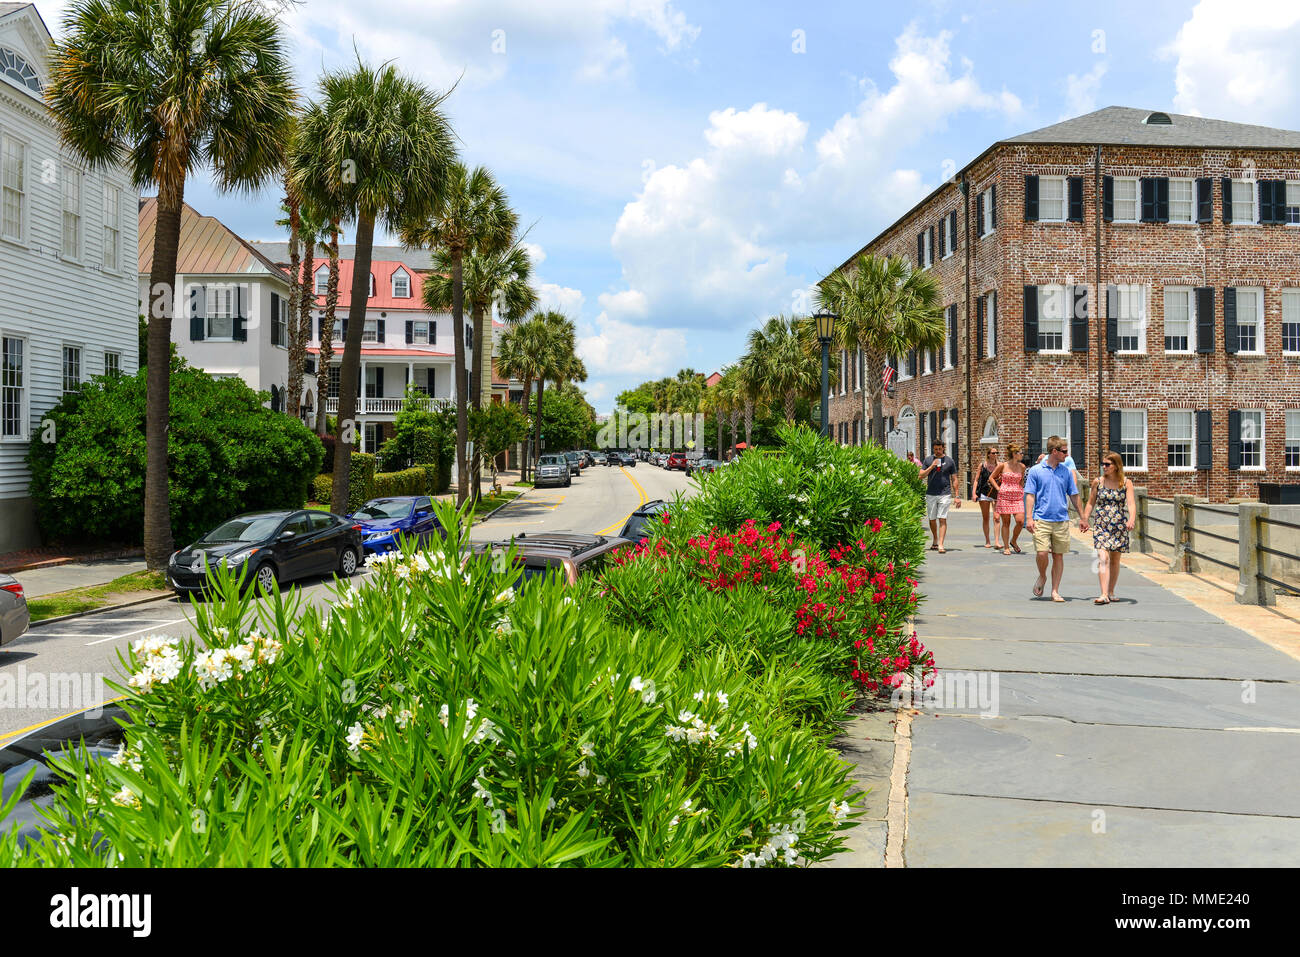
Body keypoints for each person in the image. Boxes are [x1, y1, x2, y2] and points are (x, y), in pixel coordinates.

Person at [1024, 435, 1088, 602]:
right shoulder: (1035, 471)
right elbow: (1030, 495)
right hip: (1041, 518)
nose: (1067, 455)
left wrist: (1083, 518)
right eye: (1064, 451)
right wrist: (1029, 518)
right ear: (1054, 451)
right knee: (1042, 553)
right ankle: (1042, 575)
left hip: (1061, 519)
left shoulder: (1065, 472)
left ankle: (1055, 591)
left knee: (1058, 556)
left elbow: (1074, 495)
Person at [1081, 451, 1136, 605]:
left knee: (1115, 560)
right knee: (1103, 557)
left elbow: (1131, 503)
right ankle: (1103, 594)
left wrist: (1131, 519)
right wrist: (1085, 519)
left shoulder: (1126, 483)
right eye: (1103, 464)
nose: (1104, 467)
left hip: (1119, 525)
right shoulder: (1098, 482)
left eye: (1107, 464)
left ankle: (1111, 591)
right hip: (1101, 525)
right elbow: (1090, 502)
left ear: (1116, 466)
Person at [919, 440, 960, 553]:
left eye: (940, 449)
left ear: (943, 448)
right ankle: (935, 539)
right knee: (932, 519)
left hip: (945, 494)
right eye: (936, 449)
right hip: (931, 493)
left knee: (942, 518)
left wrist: (957, 496)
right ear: (933, 449)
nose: (938, 451)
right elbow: (921, 476)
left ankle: (941, 544)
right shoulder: (928, 460)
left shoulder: (950, 461)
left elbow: (954, 479)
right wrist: (931, 466)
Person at [989, 443, 1026, 555]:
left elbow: (1021, 480)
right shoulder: (1003, 466)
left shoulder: (1022, 467)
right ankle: (1006, 547)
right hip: (1004, 496)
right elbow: (991, 478)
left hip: (1017, 496)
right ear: (1014, 454)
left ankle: (1013, 540)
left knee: (1020, 521)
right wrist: (998, 489)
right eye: (1020, 453)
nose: (1022, 455)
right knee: (1006, 522)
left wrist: (1021, 488)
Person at [974, 447, 1003, 549]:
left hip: (995, 494)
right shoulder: (982, 465)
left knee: (997, 517)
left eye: (996, 452)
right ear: (988, 454)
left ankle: (997, 541)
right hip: (984, 493)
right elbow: (977, 480)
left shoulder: (1000, 465)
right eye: (993, 453)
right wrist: (974, 493)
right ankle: (987, 540)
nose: (995, 454)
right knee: (986, 518)